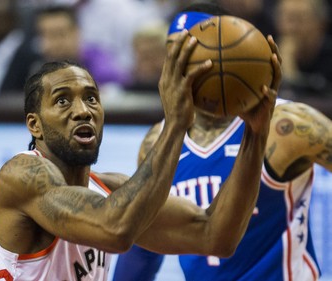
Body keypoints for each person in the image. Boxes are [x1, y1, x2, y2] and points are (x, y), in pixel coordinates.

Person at [0, 22, 281, 280]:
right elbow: (115, 229)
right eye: (63, 100)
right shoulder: (22, 174)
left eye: (92, 98)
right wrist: (176, 124)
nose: (83, 111)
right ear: (35, 125)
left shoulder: (110, 190)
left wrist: (255, 134)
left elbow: (216, 236)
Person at [113, 3, 332, 281]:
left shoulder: (287, 124)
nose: (180, 64)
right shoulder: (158, 140)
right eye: (173, 53)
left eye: (191, 52)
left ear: (228, 51)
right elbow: (145, 246)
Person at [33, 5, 128, 87]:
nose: (52, 43)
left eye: (59, 34)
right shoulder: (34, 69)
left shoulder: (99, 64)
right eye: (45, 35)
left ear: (77, 33)